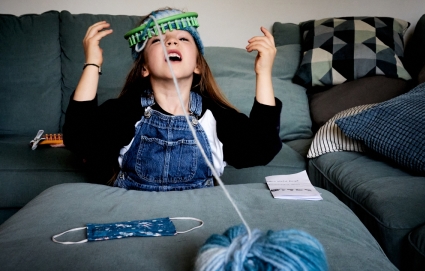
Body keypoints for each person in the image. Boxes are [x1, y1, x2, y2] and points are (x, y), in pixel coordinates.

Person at [63, 8, 282, 192]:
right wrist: (92, 64)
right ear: (144, 68)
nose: (171, 40)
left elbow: (261, 148)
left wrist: (263, 73)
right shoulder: (127, 111)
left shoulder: (213, 116)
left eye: (183, 38)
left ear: (197, 65)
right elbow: (80, 138)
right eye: (158, 40)